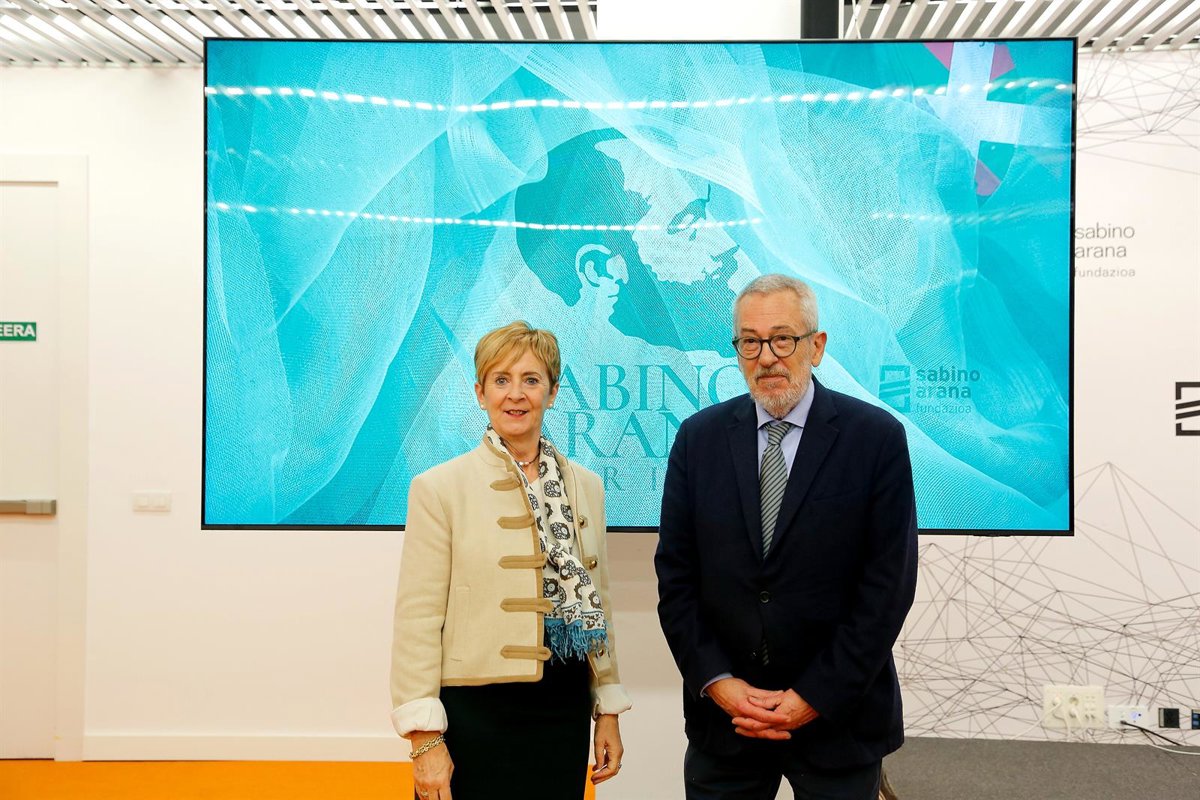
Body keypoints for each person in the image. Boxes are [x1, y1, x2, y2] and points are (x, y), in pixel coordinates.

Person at [655, 274, 918, 799]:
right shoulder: (698, 439)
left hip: (839, 720)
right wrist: (718, 684)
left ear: (815, 347)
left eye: (782, 339)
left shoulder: (875, 439)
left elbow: (887, 588)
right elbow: (676, 578)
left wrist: (814, 696)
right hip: (727, 723)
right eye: (750, 342)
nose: (767, 358)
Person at [390, 321, 632, 800]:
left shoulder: (587, 486)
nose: (515, 394)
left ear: (553, 392)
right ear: (480, 393)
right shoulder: (438, 488)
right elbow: (417, 619)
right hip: (473, 711)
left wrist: (607, 709)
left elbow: (597, 604)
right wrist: (424, 740)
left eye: (531, 380)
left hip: (562, 706)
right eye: (500, 380)